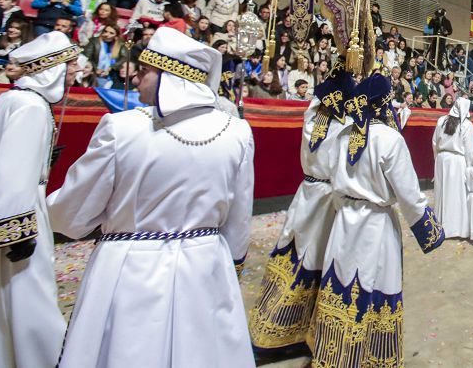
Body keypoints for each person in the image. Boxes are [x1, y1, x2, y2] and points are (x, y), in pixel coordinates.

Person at [47, 28, 255, 367]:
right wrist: (231, 261)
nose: (136, 77)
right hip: (205, 264)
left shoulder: (120, 128)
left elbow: (73, 216)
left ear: (169, 76)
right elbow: (239, 217)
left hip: (130, 266)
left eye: (144, 71)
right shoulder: (237, 131)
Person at [308, 73, 445, 366]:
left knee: (341, 285)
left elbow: (329, 176)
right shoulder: (391, 140)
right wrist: (430, 231)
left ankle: (335, 355)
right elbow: (409, 195)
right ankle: (372, 357)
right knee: (376, 286)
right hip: (377, 224)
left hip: (344, 220)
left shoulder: (342, 134)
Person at [0, 32, 80, 368]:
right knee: (27, 292)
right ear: (51, 70)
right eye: (70, 65)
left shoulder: (10, 100)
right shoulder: (32, 107)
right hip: (10, 211)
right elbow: (12, 173)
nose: (76, 71)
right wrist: (15, 232)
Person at [249, 68, 354, 356]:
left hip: (307, 194)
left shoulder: (314, 114)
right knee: (316, 261)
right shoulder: (342, 125)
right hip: (328, 200)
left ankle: (279, 326)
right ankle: (302, 329)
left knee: (295, 254)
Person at [432, 97, 473, 240]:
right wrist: (470, 166)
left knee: (442, 193)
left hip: (441, 159)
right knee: (456, 194)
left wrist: (437, 159)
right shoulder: (466, 125)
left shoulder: (441, 120)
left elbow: (434, 142)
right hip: (457, 161)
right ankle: (456, 228)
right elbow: (470, 149)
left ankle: (441, 226)